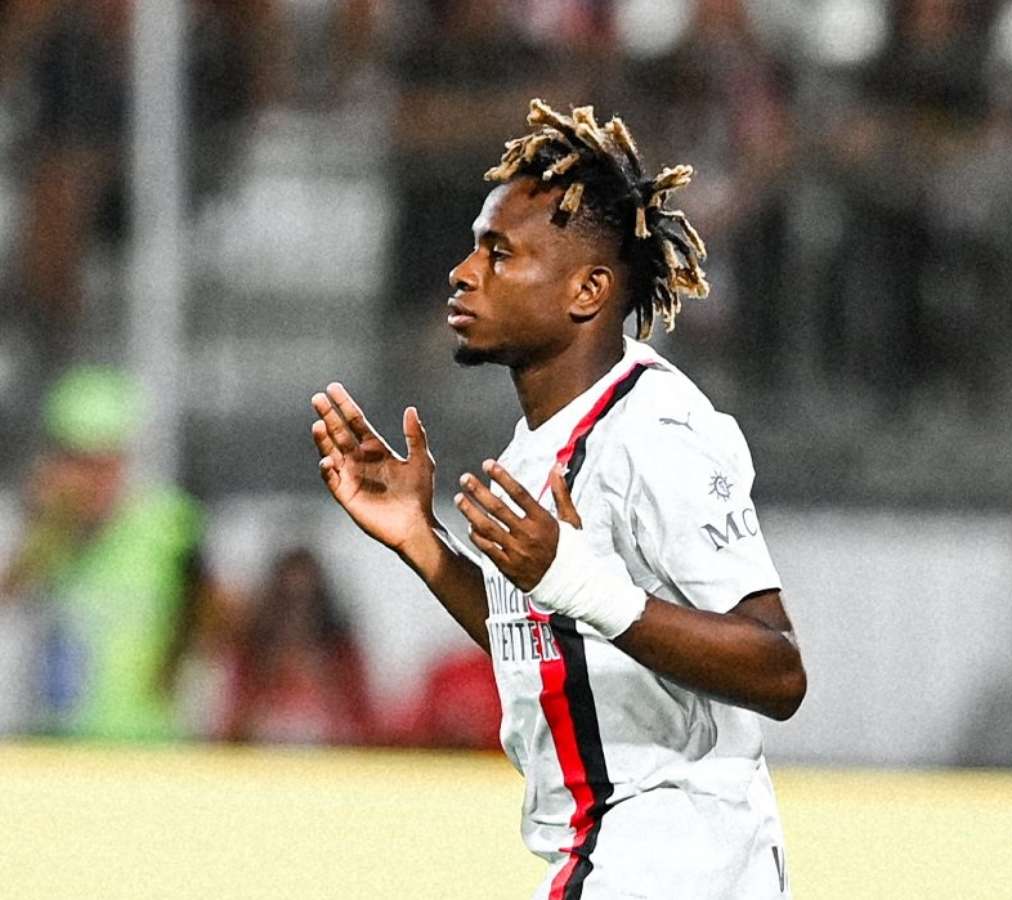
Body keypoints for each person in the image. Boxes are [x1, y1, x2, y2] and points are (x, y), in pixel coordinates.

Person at [310, 99, 805, 899]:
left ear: (587, 290)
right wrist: (425, 544)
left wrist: (582, 585)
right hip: (637, 850)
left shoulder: (658, 432)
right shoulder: (541, 445)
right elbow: (556, 634)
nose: (463, 272)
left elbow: (778, 668)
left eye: (499, 253)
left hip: (669, 850)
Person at [0, 365, 207, 741]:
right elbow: (11, 595)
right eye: (77, 462)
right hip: (57, 741)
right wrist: (49, 528)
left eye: (104, 463)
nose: (92, 479)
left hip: (148, 742)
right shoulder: (42, 528)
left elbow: (215, 613)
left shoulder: (169, 524)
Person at [220, 547, 376, 746]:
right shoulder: (250, 658)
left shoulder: (343, 658)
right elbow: (230, 727)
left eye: (307, 601)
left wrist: (325, 685)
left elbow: (364, 729)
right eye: (288, 601)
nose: (298, 614)